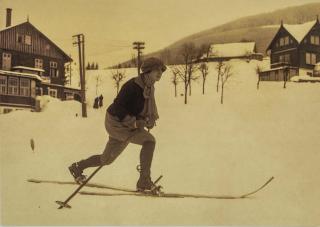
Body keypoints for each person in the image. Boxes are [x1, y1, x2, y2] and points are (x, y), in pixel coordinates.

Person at [69, 57, 166, 192]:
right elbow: (118, 107)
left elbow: (142, 109)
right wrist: (137, 121)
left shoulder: (149, 88)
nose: (160, 73)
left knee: (106, 159)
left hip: (128, 124)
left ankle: (77, 167)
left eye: (161, 70)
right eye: (157, 70)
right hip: (116, 122)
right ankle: (144, 181)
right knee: (149, 141)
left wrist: (147, 118)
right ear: (148, 71)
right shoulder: (132, 86)